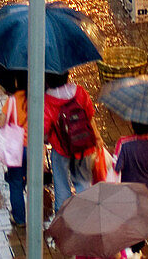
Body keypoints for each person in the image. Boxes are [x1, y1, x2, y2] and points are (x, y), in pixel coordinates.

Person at [44, 70, 99, 210]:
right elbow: (90, 116)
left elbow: (45, 130)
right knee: (84, 182)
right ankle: (85, 217)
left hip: (61, 150)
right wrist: (98, 138)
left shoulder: (47, 101)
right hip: (84, 146)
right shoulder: (80, 92)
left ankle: (64, 218)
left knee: (61, 185)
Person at [114, 119, 148, 257]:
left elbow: (117, 167)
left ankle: (128, 249)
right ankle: (138, 248)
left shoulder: (123, 143)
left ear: (131, 124)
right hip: (146, 188)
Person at [0, 75, 28, 226]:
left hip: (16, 149)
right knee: (34, 181)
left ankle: (19, 218)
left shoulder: (11, 100)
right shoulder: (36, 97)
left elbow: (1, 123)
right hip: (33, 148)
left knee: (15, 182)